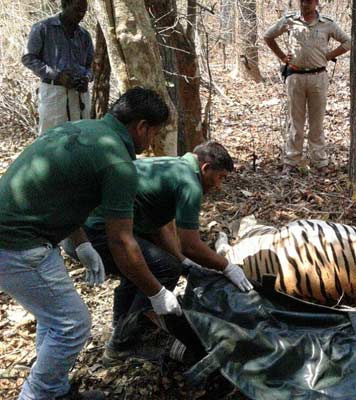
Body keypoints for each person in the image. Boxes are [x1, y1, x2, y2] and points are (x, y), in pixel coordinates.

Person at [0, 87, 174, 400]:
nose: (152, 142)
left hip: (29, 235)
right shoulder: (117, 163)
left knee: (54, 318)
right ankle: (37, 395)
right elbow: (121, 242)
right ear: (142, 127)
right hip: (18, 243)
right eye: (155, 133)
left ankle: (53, 389)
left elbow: (62, 193)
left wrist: (81, 243)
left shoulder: (81, 128)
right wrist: (156, 292)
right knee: (73, 324)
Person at [62, 140, 253, 365]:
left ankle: (121, 331)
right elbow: (190, 243)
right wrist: (226, 266)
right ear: (205, 169)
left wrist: (183, 261)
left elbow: (157, 226)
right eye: (220, 177)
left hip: (78, 230)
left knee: (147, 268)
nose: (219, 186)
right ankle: (125, 343)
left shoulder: (170, 166)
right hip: (91, 236)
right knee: (164, 269)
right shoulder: (190, 183)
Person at [263, 0, 350, 174]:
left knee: (317, 121)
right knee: (296, 122)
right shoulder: (290, 20)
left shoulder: (327, 24)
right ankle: (291, 160)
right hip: (295, 76)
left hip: (318, 77)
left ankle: (320, 161)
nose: (305, 4)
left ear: (316, 2)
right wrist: (282, 56)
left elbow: (347, 42)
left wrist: (329, 55)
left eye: (309, 1)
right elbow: (268, 36)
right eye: (302, 0)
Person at [22, 0, 94, 134]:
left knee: (81, 137)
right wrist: (56, 76)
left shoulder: (84, 35)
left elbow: (90, 65)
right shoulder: (43, 28)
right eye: (77, 9)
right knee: (51, 138)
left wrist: (86, 77)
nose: (81, 15)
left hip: (79, 94)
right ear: (65, 5)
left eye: (84, 11)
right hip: (53, 92)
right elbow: (28, 58)